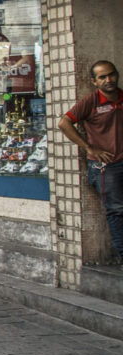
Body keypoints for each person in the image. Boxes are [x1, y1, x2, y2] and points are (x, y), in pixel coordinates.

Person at [58, 60, 122, 258]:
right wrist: (88, 147)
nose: (108, 80)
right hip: (106, 166)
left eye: (111, 75)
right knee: (117, 210)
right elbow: (64, 123)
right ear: (94, 81)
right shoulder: (91, 101)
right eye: (102, 77)